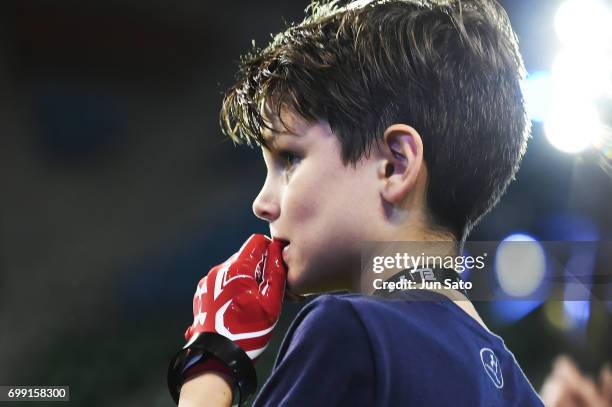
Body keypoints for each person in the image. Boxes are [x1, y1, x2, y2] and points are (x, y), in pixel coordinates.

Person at [168, 0, 546, 405]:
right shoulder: (519, 392)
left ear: (394, 165)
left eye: (290, 159)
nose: (262, 203)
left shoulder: (349, 331)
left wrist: (213, 358)